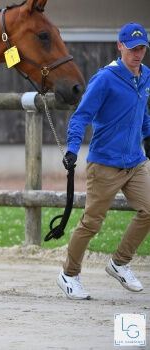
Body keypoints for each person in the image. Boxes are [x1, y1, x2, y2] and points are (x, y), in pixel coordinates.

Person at [57, 22, 150, 300]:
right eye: (132, 48)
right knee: (92, 223)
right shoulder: (105, 79)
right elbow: (81, 116)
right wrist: (73, 148)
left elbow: (142, 111)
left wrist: (148, 137)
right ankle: (69, 274)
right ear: (119, 46)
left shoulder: (145, 76)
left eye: (142, 48)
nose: (138, 53)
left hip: (135, 162)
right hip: (105, 164)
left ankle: (119, 262)